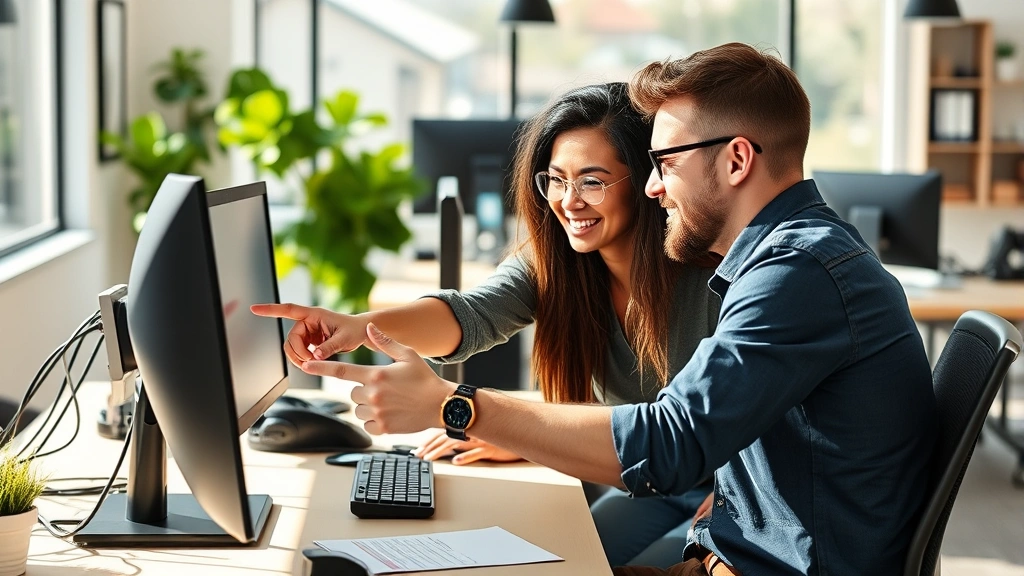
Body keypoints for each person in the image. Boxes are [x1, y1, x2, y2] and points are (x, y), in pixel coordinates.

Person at [291, 43, 938, 575]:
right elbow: (706, 443)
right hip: (735, 547)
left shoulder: (795, 274)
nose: (656, 187)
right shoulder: (781, 260)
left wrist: (453, 405)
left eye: (664, 163)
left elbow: (673, 443)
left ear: (738, 158)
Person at [253, 82, 720, 568]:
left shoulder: (704, 275)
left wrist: (738, 500)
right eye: (556, 180)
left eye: (593, 181)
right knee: (564, 559)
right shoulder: (556, 265)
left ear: (646, 181)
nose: (569, 201)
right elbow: (469, 315)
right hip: (645, 481)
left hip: (726, 489)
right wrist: (358, 326)